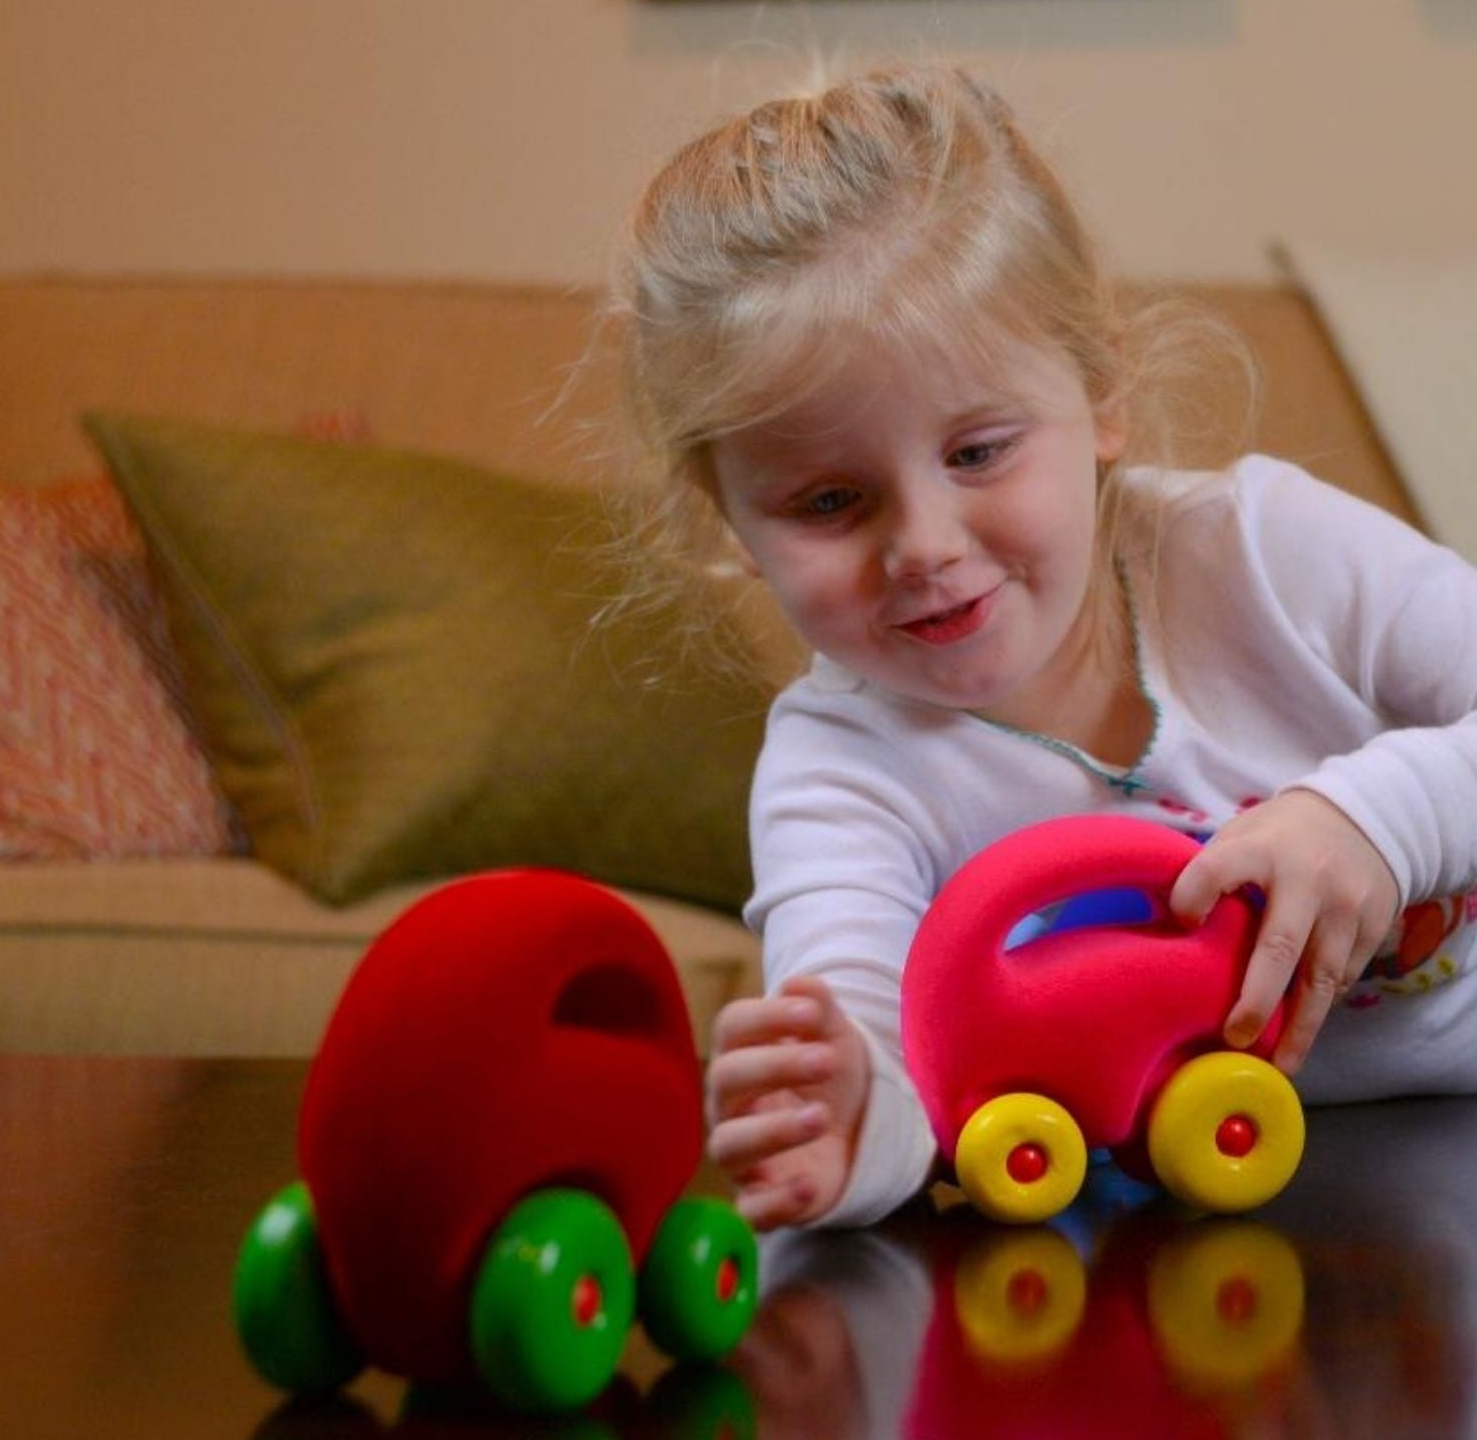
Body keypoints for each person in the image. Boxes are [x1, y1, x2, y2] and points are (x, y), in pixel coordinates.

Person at [611, 63, 1477, 1231]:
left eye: (976, 454)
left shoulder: (1260, 551)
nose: (922, 545)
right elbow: (876, 1041)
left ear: (1101, 390)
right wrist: (857, 1126)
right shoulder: (838, 771)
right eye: (828, 503)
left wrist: (1380, 818)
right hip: (1210, 1227)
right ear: (730, 519)